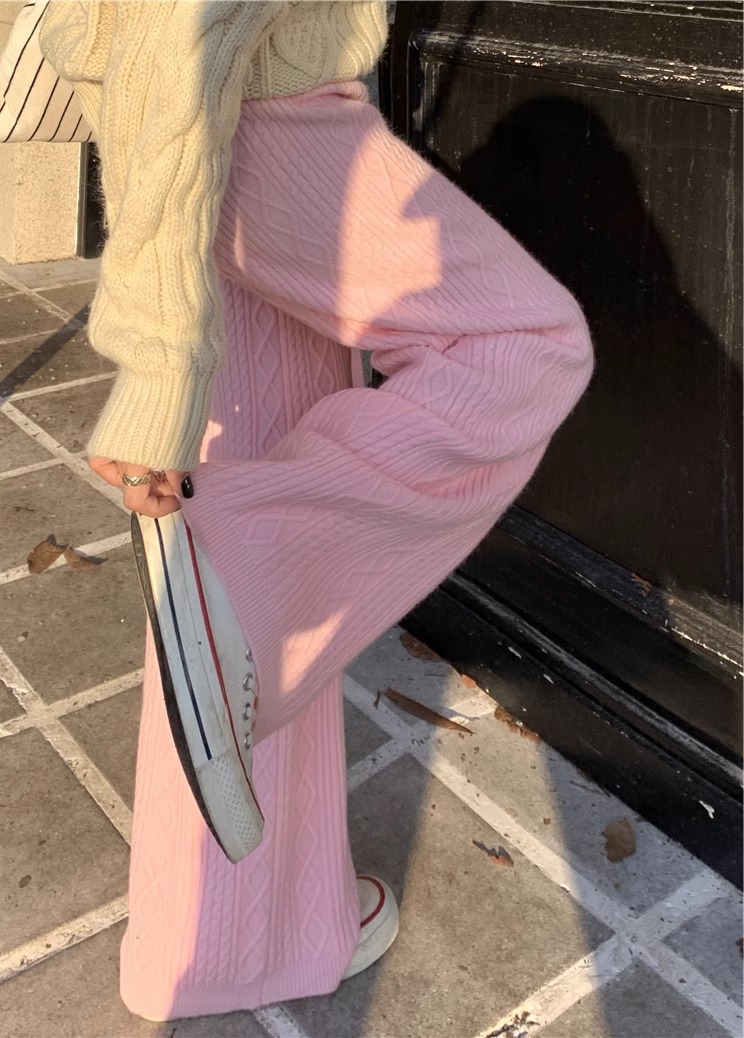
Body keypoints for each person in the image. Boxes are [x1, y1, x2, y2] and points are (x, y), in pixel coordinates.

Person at [40, 0, 593, 1023]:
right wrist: (156, 358)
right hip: (260, 111)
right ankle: (246, 592)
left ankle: (221, 940)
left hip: (221, 108)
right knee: (523, 344)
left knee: (247, 484)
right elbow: (181, 26)